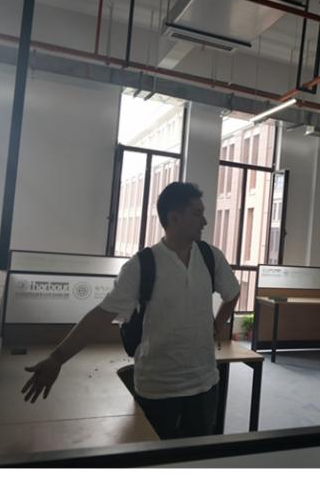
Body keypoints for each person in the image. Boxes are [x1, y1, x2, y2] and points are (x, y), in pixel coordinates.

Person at [18, 182, 241, 439]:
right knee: (153, 457)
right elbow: (102, 315)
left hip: (204, 386)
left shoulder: (211, 257)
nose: (204, 221)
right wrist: (57, 358)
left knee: (197, 457)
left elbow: (232, 292)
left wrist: (216, 325)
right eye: (197, 213)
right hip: (157, 390)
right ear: (174, 217)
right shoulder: (143, 264)